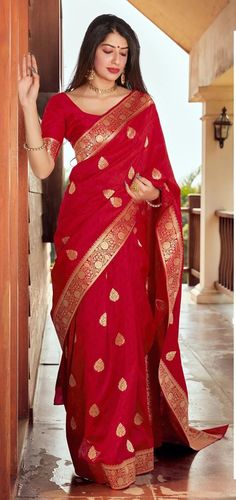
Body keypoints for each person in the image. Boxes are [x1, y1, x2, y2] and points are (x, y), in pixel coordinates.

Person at [18, 14, 227, 491]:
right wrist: (30, 105)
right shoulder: (65, 106)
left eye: (124, 52)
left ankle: (127, 447)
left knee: (126, 339)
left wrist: (146, 194)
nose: (116, 60)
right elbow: (44, 165)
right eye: (108, 49)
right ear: (91, 50)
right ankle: (93, 451)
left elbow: (163, 185)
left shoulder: (141, 105)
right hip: (80, 232)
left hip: (127, 239)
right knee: (90, 338)